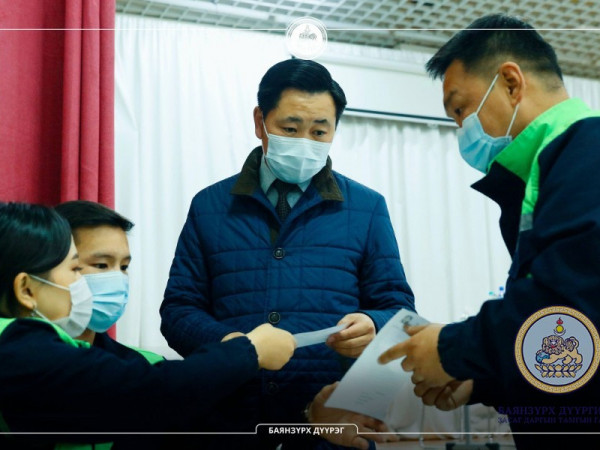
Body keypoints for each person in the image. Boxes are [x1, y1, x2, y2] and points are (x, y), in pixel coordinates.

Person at [160, 58, 415, 448]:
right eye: (290, 129)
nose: (305, 143)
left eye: (319, 131)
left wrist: (372, 323)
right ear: (260, 121)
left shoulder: (366, 208)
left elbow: (398, 308)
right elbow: (179, 310)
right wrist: (234, 346)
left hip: (329, 426)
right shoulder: (210, 206)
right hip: (230, 422)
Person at [378, 13, 600, 448]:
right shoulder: (547, 169)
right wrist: (481, 379)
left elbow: (571, 313)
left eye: (461, 110)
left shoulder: (587, 154)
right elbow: (564, 353)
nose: (461, 129)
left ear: (511, 83)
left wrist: (451, 348)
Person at [0, 202, 296, 449]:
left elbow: (209, 429)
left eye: (124, 267)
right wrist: (248, 351)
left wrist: (307, 421)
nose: (116, 280)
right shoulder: (15, 350)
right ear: (26, 289)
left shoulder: (133, 363)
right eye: (77, 268)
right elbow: (149, 393)